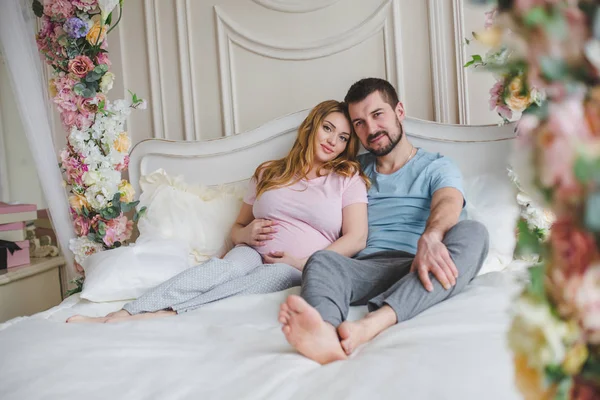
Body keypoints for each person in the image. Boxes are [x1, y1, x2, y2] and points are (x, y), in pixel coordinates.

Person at [67, 100, 370, 323]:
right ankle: (125, 311)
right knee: (221, 270)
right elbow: (237, 227)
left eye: (343, 137)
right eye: (328, 128)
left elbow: (356, 239)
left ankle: (165, 315)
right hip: (250, 252)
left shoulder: (347, 179)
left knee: (251, 284)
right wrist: (246, 233)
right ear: (311, 127)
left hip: (295, 266)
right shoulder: (268, 172)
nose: (333, 141)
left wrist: (305, 262)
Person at [278, 78, 489, 364]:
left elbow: (448, 202)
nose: (371, 129)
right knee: (322, 260)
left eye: (378, 115)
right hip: (366, 268)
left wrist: (431, 236)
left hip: (421, 263)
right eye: (359, 123)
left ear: (399, 111)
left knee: (474, 232)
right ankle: (324, 333)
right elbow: (308, 197)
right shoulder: (351, 171)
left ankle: (372, 323)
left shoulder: (437, 166)